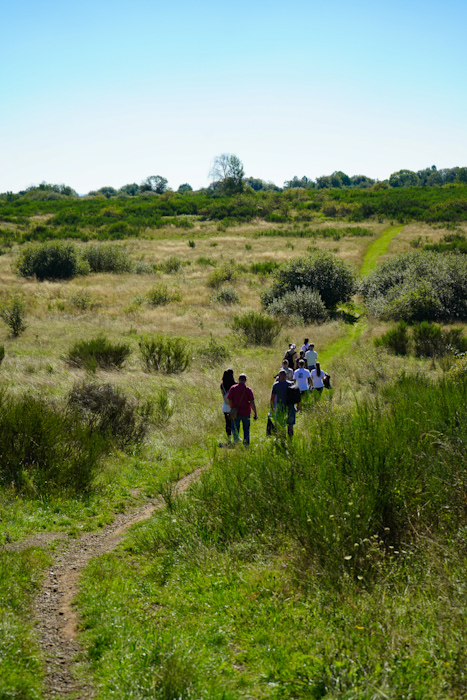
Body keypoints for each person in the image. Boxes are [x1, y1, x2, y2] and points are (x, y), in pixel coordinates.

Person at [227, 373, 258, 446]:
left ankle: (236, 443)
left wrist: (232, 407)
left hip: (236, 413)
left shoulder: (233, 388)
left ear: (238, 379)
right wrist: (255, 413)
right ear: (245, 380)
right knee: (246, 430)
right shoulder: (248, 390)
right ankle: (246, 444)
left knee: (235, 429)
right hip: (246, 412)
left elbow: (229, 400)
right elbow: (252, 402)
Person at [270, 369, 300, 438]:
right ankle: (290, 441)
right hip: (291, 408)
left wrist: (272, 408)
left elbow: (272, 398)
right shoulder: (291, 383)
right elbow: (297, 395)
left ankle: (283, 441)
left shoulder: (276, 385)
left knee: (281, 426)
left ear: (279, 376)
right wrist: (298, 405)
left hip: (281, 408)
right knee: (290, 426)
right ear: (286, 376)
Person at [220, 368, 236, 440]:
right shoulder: (235, 384)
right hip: (233, 406)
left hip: (225, 406)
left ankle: (229, 438)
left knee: (227, 423)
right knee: (235, 422)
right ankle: (236, 437)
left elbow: (224, 396)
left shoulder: (222, 385)